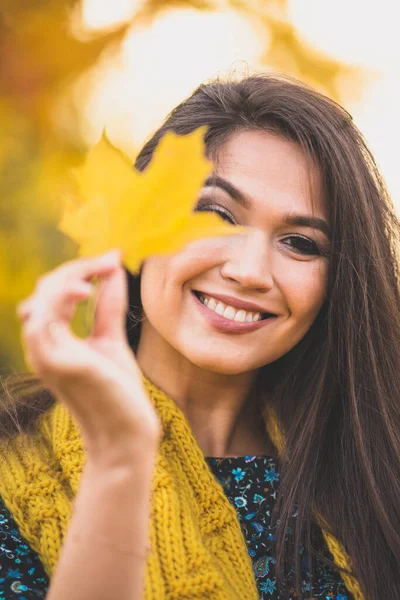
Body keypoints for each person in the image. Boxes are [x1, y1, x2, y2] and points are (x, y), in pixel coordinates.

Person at [0, 73, 399, 600]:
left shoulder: (377, 474)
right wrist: (119, 461)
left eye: (300, 242)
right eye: (216, 214)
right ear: (138, 222)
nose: (250, 271)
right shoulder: (16, 471)